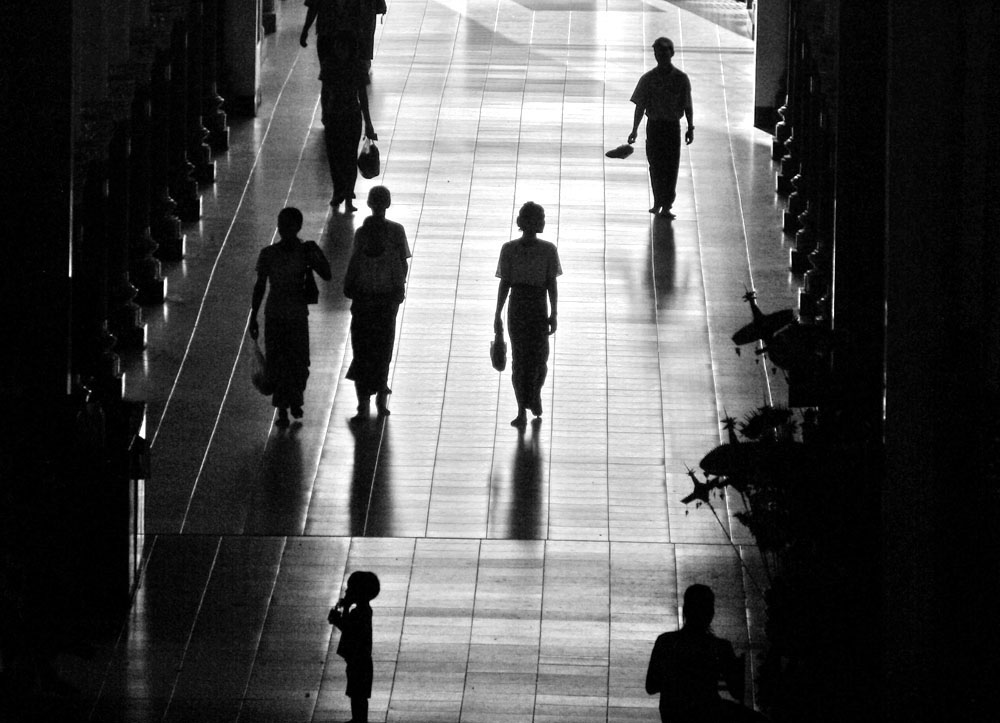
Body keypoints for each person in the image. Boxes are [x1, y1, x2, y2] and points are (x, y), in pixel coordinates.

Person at [250, 207, 332, 428]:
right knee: (289, 361)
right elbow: (259, 286)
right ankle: (288, 406)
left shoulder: (275, 253)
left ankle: (289, 403)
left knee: (288, 361)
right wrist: (253, 315)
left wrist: (254, 315)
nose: (282, 229)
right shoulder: (274, 253)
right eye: (281, 224)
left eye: (285, 224)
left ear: (296, 227)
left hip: (280, 313)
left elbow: (326, 272)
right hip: (289, 314)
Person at [646, 584, 763, 723]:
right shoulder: (720, 647)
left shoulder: (665, 642)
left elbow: (651, 687)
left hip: (673, 714)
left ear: (685, 611)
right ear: (710, 613)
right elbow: (736, 691)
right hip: (709, 713)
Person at [494, 202, 561, 428]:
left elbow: (550, 283)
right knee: (525, 359)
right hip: (529, 305)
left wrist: (554, 312)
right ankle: (523, 405)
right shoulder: (515, 249)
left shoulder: (543, 250)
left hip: (525, 305)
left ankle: (530, 397)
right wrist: (497, 313)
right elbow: (506, 282)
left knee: (534, 359)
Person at [343, 186, 409, 420]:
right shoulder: (396, 233)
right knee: (382, 349)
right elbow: (403, 265)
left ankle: (363, 403)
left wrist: (350, 287)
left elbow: (353, 266)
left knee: (362, 350)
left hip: (364, 301)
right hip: (385, 302)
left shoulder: (362, 234)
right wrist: (398, 291)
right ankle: (380, 395)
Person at [628, 36, 694, 219]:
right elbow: (640, 106)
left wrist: (690, 126)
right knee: (656, 165)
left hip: (672, 127)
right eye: (658, 52)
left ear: (671, 53)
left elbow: (687, 105)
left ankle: (666, 204)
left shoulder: (681, 79)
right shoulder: (648, 79)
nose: (661, 56)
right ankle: (659, 200)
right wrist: (634, 129)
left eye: (664, 52)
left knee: (671, 166)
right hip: (655, 126)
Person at [319, 28, 376, 212]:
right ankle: (339, 191)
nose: (340, 50)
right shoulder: (331, 65)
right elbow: (324, 92)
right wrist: (324, 113)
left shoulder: (356, 67)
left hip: (350, 115)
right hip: (335, 114)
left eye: (343, 47)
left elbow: (363, 97)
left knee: (349, 157)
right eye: (337, 46)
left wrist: (368, 123)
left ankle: (347, 193)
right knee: (335, 156)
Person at [328, 571, 380, 723]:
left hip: (359, 662)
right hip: (360, 661)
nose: (346, 592)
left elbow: (349, 629)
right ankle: (358, 719)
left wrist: (338, 617)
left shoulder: (360, 613)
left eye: (350, 589)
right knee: (357, 695)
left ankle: (359, 720)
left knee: (358, 695)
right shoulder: (363, 611)